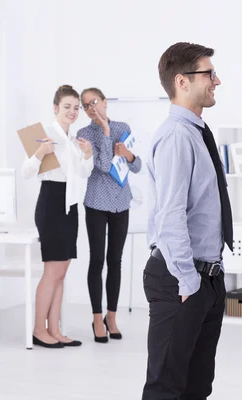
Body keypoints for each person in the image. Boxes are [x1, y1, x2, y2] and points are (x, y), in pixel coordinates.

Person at [141, 42, 232, 400]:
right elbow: (170, 214)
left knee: (197, 388)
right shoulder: (178, 136)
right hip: (181, 277)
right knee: (167, 387)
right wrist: (188, 280)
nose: (217, 80)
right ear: (182, 81)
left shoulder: (196, 132)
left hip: (206, 276)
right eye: (209, 73)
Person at [21, 84, 93, 348]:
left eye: (76, 108)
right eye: (67, 107)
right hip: (51, 203)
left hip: (70, 205)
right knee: (52, 270)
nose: (72, 112)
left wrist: (88, 155)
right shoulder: (44, 134)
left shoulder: (72, 142)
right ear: (55, 108)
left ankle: (55, 330)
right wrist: (40, 152)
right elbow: (26, 172)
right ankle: (39, 330)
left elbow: (82, 174)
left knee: (62, 270)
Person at [77, 87, 141, 343]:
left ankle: (111, 316)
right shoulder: (84, 134)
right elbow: (102, 166)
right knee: (97, 261)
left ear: (105, 102)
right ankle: (96, 318)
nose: (91, 108)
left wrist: (127, 154)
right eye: (86, 105)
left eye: (94, 102)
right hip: (95, 203)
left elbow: (136, 166)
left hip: (120, 202)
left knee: (116, 261)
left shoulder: (123, 127)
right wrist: (104, 133)